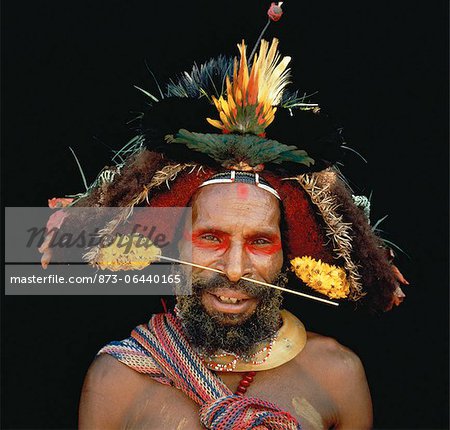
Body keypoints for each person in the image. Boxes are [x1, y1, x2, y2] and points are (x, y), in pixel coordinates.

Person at [41, 29, 407, 429]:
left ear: (287, 251)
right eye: (211, 237)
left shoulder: (338, 376)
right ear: (176, 241)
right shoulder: (116, 381)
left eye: (260, 242)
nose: (234, 270)